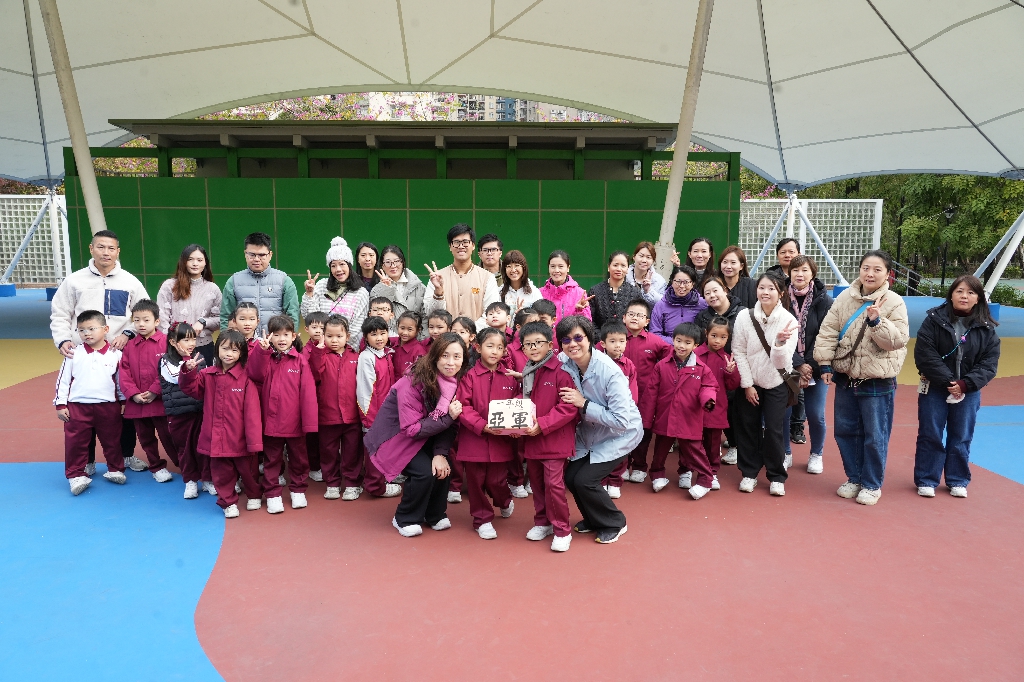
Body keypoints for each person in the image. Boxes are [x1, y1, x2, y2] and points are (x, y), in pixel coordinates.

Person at [814, 250, 909, 506]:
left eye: (877, 269)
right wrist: (825, 363)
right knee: (845, 430)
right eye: (866, 268)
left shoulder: (894, 302)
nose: (870, 274)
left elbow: (897, 341)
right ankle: (854, 477)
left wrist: (877, 322)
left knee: (875, 435)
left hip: (877, 379)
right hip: (846, 377)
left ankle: (871, 483)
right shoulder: (845, 297)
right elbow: (828, 330)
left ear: (888, 274)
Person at [49, 229, 148, 474]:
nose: (106, 252)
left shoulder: (130, 282)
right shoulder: (74, 281)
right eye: (101, 247)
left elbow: (143, 313)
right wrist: (63, 340)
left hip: (118, 355)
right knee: (85, 407)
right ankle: (88, 460)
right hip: (83, 354)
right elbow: (60, 314)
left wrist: (128, 334)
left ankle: (126, 455)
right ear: (91, 249)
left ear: (118, 251)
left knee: (122, 407)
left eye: (111, 248)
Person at [365, 332, 468, 537]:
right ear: (435, 356)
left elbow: (451, 425)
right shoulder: (412, 382)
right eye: (445, 355)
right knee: (423, 472)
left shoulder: (455, 382)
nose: (451, 362)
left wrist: (439, 453)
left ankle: (434, 514)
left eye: (457, 356)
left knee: (443, 467)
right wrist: (448, 418)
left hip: (427, 434)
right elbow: (411, 429)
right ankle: (404, 518)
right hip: (396, 438)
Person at [557, 315, 642, 544]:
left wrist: (584, 404)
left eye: (578, 338)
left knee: (585, 480)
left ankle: (615, 522)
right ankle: (594, 519)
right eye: (566, 340)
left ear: (589, 339)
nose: (572, 344)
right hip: (591, 432)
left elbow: (621, 420)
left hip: (620, 434)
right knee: (571, 477)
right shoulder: (565, 360)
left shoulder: (609, 371)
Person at [913, 275, 1000, 499]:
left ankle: (957, 479)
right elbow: (925, 354)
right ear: (951, 294)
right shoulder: (933, 320)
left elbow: (989, 364)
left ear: (978, 298)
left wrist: (964, 384)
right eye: (960, 291)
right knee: (930, 433)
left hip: (968, 392)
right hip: (935, 387)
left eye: (971, 293)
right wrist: (948, 382)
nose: (964, 296)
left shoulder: (987, 328)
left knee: (961, 435)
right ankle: (926, 478)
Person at [179, 330, 264, 518]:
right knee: (221, 473)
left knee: (249, 472)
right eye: (225, 348)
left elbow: (252, 413)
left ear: (242, 353)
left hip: (241, 438)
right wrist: (188, 371)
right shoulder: (207, 374)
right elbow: (191, 389)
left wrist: (254, 441)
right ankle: (228, 502)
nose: (229, 354)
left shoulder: (246, 378)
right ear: (217, 349)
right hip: (216, 437)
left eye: (234, 350)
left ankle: (254, 494)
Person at [516, 321, 580, 552]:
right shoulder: (528, 371)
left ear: (550, 345)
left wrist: (542, 425)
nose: (533, 348)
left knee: (554, 486)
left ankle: (562, 529)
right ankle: (542, 522)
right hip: (532, 439)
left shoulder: (562, 372)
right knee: (536, 483)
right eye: (528, 344)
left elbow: (568, 407)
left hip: (554, 440)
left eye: (538, 343)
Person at [732, 274, 799, 496]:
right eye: (761, 287)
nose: (765, 292)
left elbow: (782, 362)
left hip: (776, 382)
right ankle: (749, 473)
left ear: (781, 293)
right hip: (750, 382)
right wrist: (747, 384)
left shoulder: (789, 321)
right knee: (747, 427)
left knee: (773, 430)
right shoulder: (744, 316)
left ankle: (776, 475)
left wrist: (779, 343)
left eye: (771, 288)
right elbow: (739, 351)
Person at [248, 315, 318, 514]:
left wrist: (309, 422)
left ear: (294, 336)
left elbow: (308, 393)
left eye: (286, 334)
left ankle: (298, 490)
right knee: (271, 460)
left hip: (295, 422)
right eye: (276, 335)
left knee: (299, 458)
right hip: (271, 421)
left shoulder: (300, 360)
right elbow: (254, 373)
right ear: (269, 336)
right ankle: (272, 494)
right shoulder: (266, 357)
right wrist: (262, 352)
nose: (281, 339)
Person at [54, 310, 128, 495]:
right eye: (81, 330)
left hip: (108, 406)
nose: (86, 333)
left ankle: (115, 469)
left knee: (112, 440)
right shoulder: (73, 353)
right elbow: (63, 380)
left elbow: (121, 380)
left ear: (105, 329)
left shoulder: (116, 354)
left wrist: (123, 400)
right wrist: (61, 404)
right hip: (77, 407)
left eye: (91, 329)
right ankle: (76, 475)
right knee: (76, 442)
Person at [642, 322, 718, 498]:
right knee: (660, 449)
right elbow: (651, 393)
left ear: (695, 345)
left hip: (688, 417)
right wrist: (646, 419)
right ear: (673, 340)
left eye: (687, 342)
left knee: (694, 450)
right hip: (665, 415)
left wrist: (708, 400)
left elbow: (709, 387)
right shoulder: (662, 365)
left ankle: (705, 480)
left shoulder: (702, 369)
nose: (682, 346)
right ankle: (657, 474)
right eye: (678, 340)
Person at [455, 327, 518, 539]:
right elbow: (463, 406)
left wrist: (514, 425)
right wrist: (482, 425)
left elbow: (518, 402)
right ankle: (482, 519)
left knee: (497, 481)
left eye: (500, 347)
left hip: (500, 440)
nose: (495, 351)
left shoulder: (509, 377)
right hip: (474, 439)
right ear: (478, 347)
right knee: (475, 482)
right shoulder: (469, 376)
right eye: (490, 346)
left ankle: (504, 500)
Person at [784, 255, 833, 474]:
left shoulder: (824, 300)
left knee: (816, 414)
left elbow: (826, 335)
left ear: (812, 273)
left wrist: (809, 365)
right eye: (795, 270)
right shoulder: (781, 296)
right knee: (784, 412)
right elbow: (776, 332)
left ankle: (816, 454)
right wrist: (798, 363)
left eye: (804, 270)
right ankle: (785, 452)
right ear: (789, 273)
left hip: (816, 364)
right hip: (787, 364)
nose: (799, 274)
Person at [120, 299, 178, 483]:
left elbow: (170, 368)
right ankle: (156, 466)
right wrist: (133, 394)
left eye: (146, 320)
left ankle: (184, 464)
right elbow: (124, 372)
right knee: (145, 438)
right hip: (138, 403)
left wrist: (154, 390)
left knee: (170, 435)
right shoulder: (130, 345)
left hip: (162, 401)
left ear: (157, 321)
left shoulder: (166, 343)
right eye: (137, 320)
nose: (141, 324)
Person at [308, 315, 363, 501]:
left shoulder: (356, 357)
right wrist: (318, 351)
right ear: (323, 336)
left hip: (352, 415)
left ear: (347, 336)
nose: (334, 340)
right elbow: (314, 374)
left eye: (339, 336)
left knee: (352, 452)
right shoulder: (320, 356)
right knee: (328, 452)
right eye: (329, 336)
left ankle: (352, 484)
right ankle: (332, 483)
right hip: (327, 415)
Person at [160, 322, 214, 500]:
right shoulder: (165, 361)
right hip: (178, 413)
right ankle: (190, 481)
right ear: (173, 342)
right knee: (185, 449)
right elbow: (177, 377)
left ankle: (207, 479)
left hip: (198, 410)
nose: (191, 343)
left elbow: (204, 381)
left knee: (203, 447)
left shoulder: (200, 357)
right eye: (186, 340)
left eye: (193, 339)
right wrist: (187, 365)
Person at [621, 298, 672, 483]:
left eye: (640, 315)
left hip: (646, 396)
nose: (635, 318)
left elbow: (671, 356)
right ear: (624, 318)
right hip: (619, 395)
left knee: (643, 430)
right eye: (631, 314)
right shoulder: (617, 337)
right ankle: (621, 465)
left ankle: (640, 466)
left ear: (647, 321)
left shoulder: (654, 341)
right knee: (620, 429)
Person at [357, 316, 402, 499]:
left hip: (387, 413)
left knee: (386, 447)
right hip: (374, 415)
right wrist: (369, 419)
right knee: (374, 450)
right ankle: (375, 486)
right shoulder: (366, 357)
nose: (379, 338)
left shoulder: (386, 353)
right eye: (373, 334)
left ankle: (385, 477)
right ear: (366, 337)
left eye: (383, 333)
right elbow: (365, 391)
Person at [220, 231, 300, 334]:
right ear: (245, 254)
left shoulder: (284, 280)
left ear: (270, 255)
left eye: (262, 255)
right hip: (243, 342)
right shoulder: (233, 281)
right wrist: (227, 339)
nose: (256, 259)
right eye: (252, 254)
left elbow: (292, 315)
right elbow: (226, 316)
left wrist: (288, 339)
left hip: (274, 341)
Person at [422, 224, 500, 328]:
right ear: (450, 247)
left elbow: (491, 313)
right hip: (445, 337)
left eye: (465, 242)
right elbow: (430, 313)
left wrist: (467, 331)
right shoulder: (437, 277)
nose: (461, 246)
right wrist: (438, 293)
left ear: (473, 245)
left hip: (477, 336)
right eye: (456, 242)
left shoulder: (487, 278)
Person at [695, 317, 741, 489]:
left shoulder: (727, 359)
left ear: (728, 338)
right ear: (706, 333)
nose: (717, 341)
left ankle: (712, 472)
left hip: (716, 409)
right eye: (714, 335)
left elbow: (732, 385)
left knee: (713, 443)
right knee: (692, 441)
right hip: (694, 407)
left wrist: (731, 372)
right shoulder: (694, 354)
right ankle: (687, 470)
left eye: (723, 337)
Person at [157, 244, 221, 367]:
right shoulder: (169, 286)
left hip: (204, 347)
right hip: (176, 348)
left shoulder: (213, 289)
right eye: (190, 259)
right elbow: (162, 318)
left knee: (203, 379)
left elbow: (220, 319)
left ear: (205, 263)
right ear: (183, 262)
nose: (195, 263)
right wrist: (174, 343)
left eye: (199, 260)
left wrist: (203, 322)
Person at [301, 237, 369, 350]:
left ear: (349, 265)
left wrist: (338, 343)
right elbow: (310, 317)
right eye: (333, 265)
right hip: (321, 348)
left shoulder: (361, 293)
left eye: (342, 264)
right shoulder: (321, 286)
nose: (338, 269)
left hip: (347, 350)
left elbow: (358, 326)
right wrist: (309, 293)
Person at [596, 320, 638, 499]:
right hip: (601, 414)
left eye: (621, 341)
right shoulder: (596, 362)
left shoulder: (628, 365)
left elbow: (632, 391)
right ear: (603, 343)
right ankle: (601, 480)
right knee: (600, 448)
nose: (618, 345)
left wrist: (628, 411)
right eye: (612, 341)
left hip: (620, 414)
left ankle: (614, 481)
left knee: (620, 449)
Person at [370, 245, 427, 335]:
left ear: (403, 262)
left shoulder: (419, 287)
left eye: (397, 261)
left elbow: (425, 317)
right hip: (388, 340)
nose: (393, 266)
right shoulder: (376, 291)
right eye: (388, 262)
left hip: (415, 340)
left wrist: (421, 340)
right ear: (382, 266)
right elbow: (375, 319)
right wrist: (386, 289)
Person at [650, 265, 707, 343]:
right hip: (668, 347)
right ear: (672, 282)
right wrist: (676, 343)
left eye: (686, 282)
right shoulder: (661, 305)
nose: (682, 286)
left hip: (695, 347)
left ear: (693, 283)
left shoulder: (702, 304)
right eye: (678, 282)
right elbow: (654, 334)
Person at [588, 251, 643, 330]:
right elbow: (590, 321)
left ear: (627, 269)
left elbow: (640, 320)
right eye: (615, 265)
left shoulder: (635, 293)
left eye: (623, 265)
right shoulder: (595, 291)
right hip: (601, 337)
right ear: (608, 267)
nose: (619, 269)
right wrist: (602, 336)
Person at [539, 250, 593, 323]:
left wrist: (579, 311)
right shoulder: (539, 293)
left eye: (560, 266)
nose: (556, 270)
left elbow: (587, 324)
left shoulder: (579, 293)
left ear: (568, 268)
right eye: (553, 266)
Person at [695, 276, 745, 350]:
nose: (712, 295)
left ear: (725, 291)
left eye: (715, 291)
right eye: (707, 293)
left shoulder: (743, 313)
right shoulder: (701, 317)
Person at [499, 249, 543, 314]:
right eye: (509, 266)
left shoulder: (534, 292)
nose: (513, 270)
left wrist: (524, 315)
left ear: (523, 268)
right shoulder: (499, 292)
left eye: (517, 265)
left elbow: (540, 317)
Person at [626, 241, 668, 305]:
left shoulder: (659, 281)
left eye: (648, 257)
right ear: (634, 257)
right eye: (641, 256)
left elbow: (663, 304)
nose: (644, 260)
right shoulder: (623, 275)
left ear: (653, 261)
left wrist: (648, 291)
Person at [393, 311, 427, 378]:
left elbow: (420, 375)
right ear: (397, 326)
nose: (405, 333)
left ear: (417, 331)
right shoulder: (393, 344)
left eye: (410, 329)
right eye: (402, 328)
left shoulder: (419, 351)